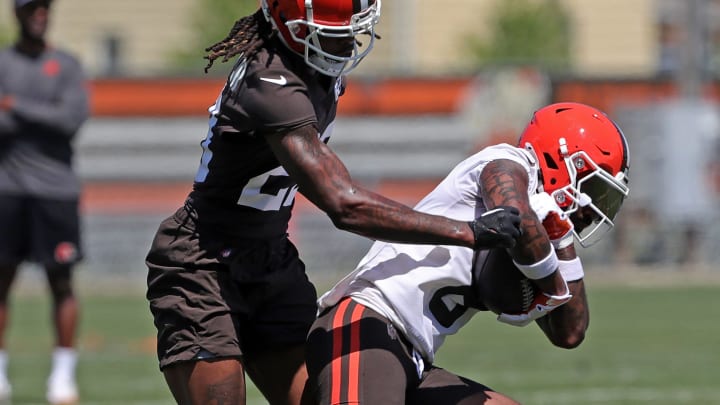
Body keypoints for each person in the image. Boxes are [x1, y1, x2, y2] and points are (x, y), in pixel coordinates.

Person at [144, 1, 522, 405]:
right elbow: (342, 203)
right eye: (330, 31)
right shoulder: (270, 79)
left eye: (346, 30)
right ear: (289, 24)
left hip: (270, 261)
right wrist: (466, 232)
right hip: (202, 263)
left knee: (328, 396)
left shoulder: (311, 71)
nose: (343, 42)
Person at [305, 102, 631, 405]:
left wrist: (561, 241)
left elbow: (570, 332)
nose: (592, 209)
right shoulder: (507, 163)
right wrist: (554, 283)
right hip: (366, 326)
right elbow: (516, 216)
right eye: (592, 189)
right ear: (561, 161)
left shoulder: (548, 225)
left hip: (413, 357)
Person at [0, 0, 90, 404]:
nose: (39, 13)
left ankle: (63, 378)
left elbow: (70, 119)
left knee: (62, 282)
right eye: (30, 7)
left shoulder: (66, 65)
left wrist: (14, 105)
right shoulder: (3, 63)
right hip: (7, 190)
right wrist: (44, 114)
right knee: (2, 281)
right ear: (16, 14)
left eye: (44, 7)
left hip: (56, 192)